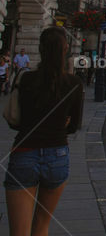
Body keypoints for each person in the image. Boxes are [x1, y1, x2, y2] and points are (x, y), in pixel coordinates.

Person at [4, 26, 84, 236]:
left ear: (40, 49)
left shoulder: (25, 78)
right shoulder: (74, 83)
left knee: (19, 232)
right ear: (65, 50)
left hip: (24, 154)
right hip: (57, 155)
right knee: (41, 225)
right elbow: (74, 125)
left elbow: (14, 122)